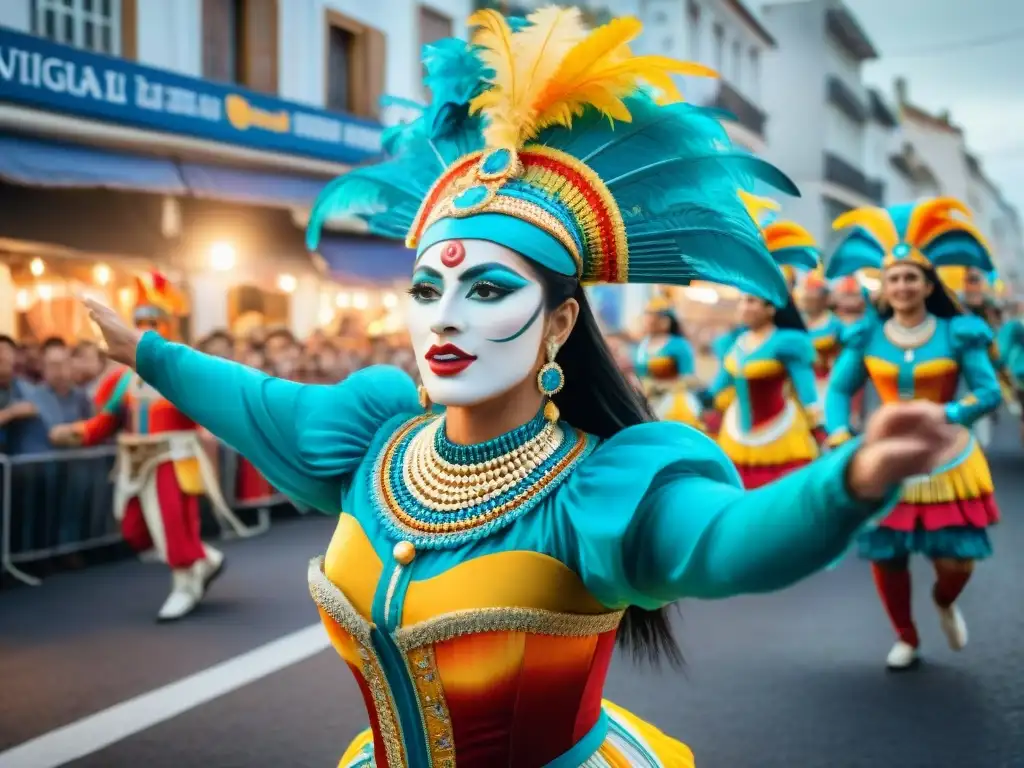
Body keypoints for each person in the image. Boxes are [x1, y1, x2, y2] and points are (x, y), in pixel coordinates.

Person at [85, 11, 959, 766]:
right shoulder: (371, 439)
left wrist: (850, 480)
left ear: (559, 325)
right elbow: (253, 399)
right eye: (428, 291)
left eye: (488, 290)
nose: (447, 318)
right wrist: (146, 351)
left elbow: (730, 543)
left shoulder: (598, 489)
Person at [825, 197, 1001, 671]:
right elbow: (840, 391)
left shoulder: (959, 331)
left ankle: (945, 601)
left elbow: (987, 392)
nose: (902, 285)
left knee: (957, 562)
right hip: (886, 458)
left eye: (911, 277)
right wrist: (841, 434)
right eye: (894, 278)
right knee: (888, 555)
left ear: (928, 285)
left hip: (949, 457)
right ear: (883, 287)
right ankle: (905, 636)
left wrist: (946, 412)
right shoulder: (867, 335)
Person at [49, 272, 235, 622]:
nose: (147, 328)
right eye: (140, 322)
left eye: (155, 321)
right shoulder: (120, 378)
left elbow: (207, 410)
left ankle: (185, 584)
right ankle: (204, 560)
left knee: (171, 522)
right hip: (134, 462)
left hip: (174, 457)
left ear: (168, 326)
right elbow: (107, 420)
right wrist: (78, 432)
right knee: (134, 530)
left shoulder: (181, 369)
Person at [702, 194, 826, 488]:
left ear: (771, 308)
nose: (745, 307)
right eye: (743, 300)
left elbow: (806, 390)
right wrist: (702, 402)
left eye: (753, 302)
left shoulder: (789, 341)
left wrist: (822, 430)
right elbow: (722, 382)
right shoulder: (738, 342)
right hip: (735, 435)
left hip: (781, 435)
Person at [633, 294, 702, 428]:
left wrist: (663, 386)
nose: (648, 320)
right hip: (648, 400)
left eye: (653, 316)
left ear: (665, 320)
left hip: (674, 401)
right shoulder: (642, 345)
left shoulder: (679, 344)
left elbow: (690, 378)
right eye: (647, 315)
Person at [798, 268, 845, 406]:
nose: (807, 296)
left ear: (824, 298)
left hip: (828, 385)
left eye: (813, 292)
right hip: (801, 385)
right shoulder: (796, 324)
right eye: (805, 291)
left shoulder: (835, 325)